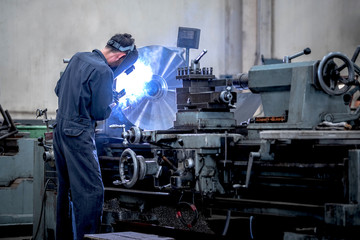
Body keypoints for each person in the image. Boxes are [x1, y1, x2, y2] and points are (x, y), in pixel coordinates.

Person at [53, 33, 138, 240]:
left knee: (65, 191)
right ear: (120, 58)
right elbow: (100, 112)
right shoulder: (103, 71)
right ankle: (88, 238)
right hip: (78, 133)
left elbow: (58, 89)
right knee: (91, 192)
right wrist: (114, 102)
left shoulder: (77, 57)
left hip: (59, 128)